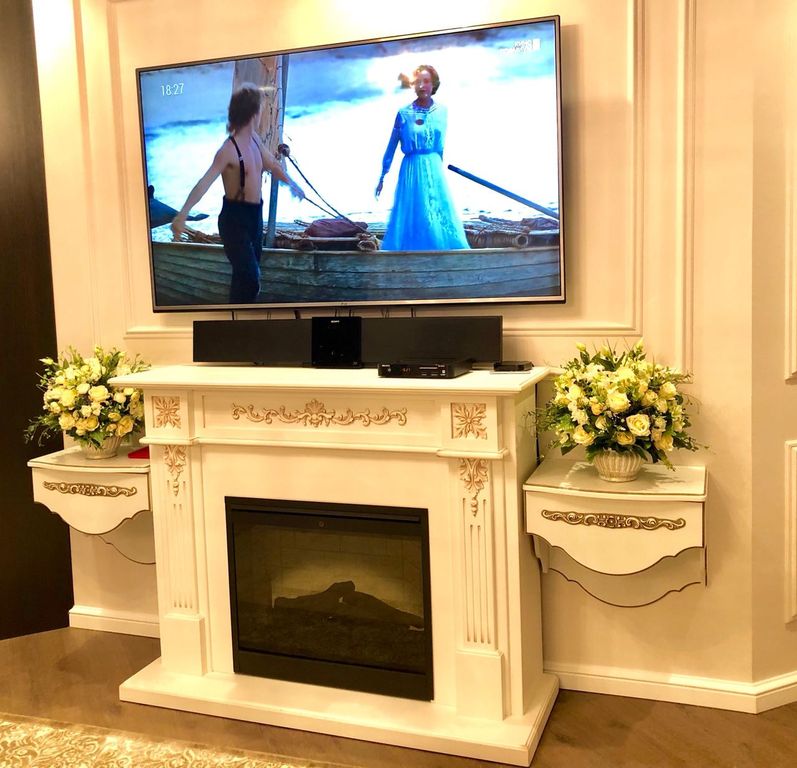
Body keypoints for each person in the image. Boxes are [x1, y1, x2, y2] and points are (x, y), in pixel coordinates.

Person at [171, 83, 305, 304]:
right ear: (253, 113)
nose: (262, 114)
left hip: (255, 217)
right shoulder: (227, 150)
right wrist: (182, 215)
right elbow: (203, 183)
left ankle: (238, 317)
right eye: (260, 109)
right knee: (251, 278)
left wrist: (292, 184)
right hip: (234, 221)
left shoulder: (255, 141)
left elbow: (272, 165)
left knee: (244, 278)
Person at [375, 65, 469, 251]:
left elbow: (441, 144)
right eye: (417, 82)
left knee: (437, 207)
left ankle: (442, 250)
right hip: (412, 165)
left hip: (434, 165)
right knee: (415, 208)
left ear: (433, 84)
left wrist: (439, 169)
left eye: (426, 81)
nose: (421, 86)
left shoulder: (442, 111)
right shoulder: (404, 113)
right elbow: (392, 145)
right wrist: (383, 175)